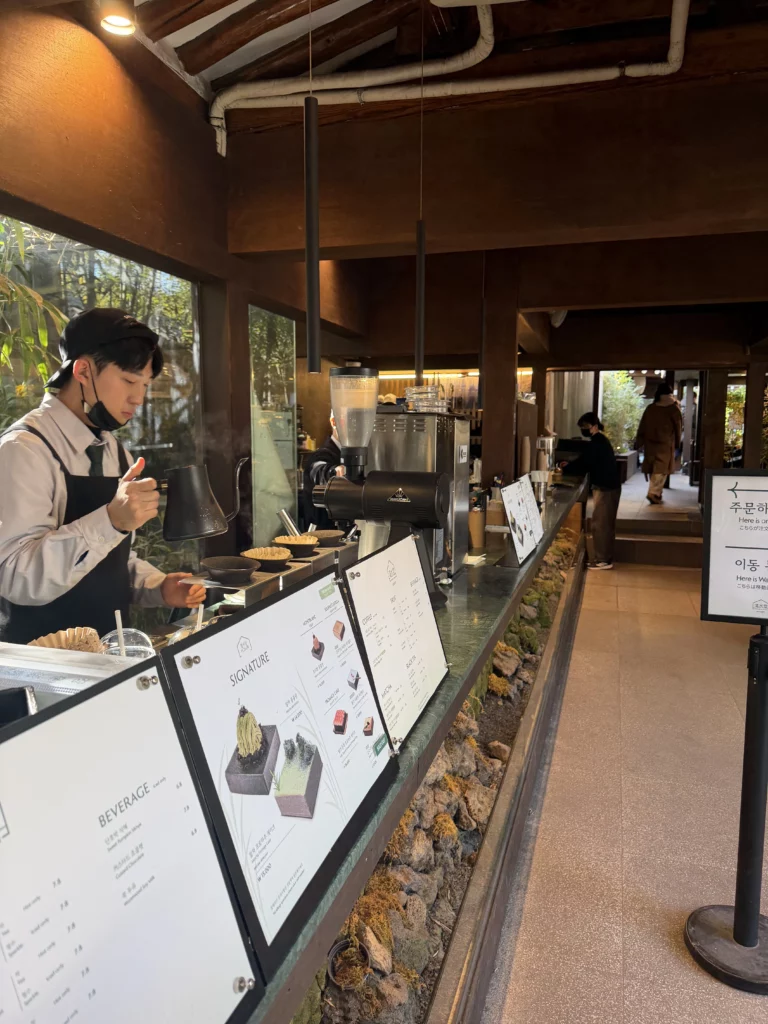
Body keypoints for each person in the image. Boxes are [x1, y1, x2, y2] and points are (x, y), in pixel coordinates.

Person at [0, 308, 205, 645]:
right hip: (44, 667)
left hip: (108, 656)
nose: (138, 398)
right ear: (82, 370)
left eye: (144, 384)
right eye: (128, 380)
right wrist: (110, 522)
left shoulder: (114, 452)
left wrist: (158, 587)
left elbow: (113, 558)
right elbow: (16, 575)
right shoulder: (24, 450)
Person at [561, 412, 622, 570]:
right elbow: (585, 460)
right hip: (608, 486)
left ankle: (603, 560)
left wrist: (567, 468)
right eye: (581, 427)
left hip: (606, 487)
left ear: (594, 426)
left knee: (601, 524)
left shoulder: (598, 443)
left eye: (585, 427)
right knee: (604, 523)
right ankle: (604, 557)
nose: (583, 429)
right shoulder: (599, 441)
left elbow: (585, 462)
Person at [635, 382, 682, 505]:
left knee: (653, 467)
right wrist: (677, 442)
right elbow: (678, 427)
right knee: (661, 469)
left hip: (650, 443)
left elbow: (642, 426)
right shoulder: (673, 408)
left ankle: (656, 493)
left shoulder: (651, 408)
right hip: (665, 443)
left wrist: (639, 441)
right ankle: (654, 493)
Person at [302, 413, 346, 530]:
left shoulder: (352, 454)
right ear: (333, 422)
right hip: (322, 537)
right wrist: (333, 472)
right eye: (349, 419)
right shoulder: (322, 454)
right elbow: (318, 470)